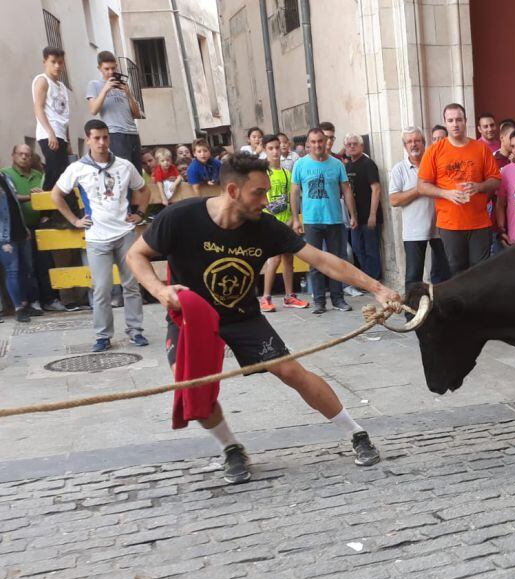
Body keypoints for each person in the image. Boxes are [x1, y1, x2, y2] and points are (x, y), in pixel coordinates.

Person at [124, 154, 402, 482]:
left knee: (290, 370)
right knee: (194, 386)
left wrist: (377, 288)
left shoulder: (265, 226)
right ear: (232, 190)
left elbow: (324, 260)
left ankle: (356, 433)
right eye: (259, 193)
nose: (267, 200)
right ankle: (231, 447)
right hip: (191, 318)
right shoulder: (180, 217)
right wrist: (159, 290)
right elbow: (135, 255)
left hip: (241, 316)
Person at [51, 119, 150, 352]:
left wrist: (140, 213)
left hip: (125, 233)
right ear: (88, 139)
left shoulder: (124, 165)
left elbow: (144, 189)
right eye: (96, 138)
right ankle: (103, 335)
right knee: (101, 289)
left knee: (131, 285)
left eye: (105, 137)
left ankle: (135, 331)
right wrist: (74, 220)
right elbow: (56, 194)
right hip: (97, 237)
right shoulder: (77, 168)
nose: (102, 142)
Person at [417, 103, 501, 275]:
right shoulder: (434, 151)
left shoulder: (481, 148)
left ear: (466, 121)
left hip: (479, 222)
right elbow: (421, 186)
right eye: (451, 120)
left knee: (481, 271)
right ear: (445, 123)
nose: (455, 124)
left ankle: (479, 303)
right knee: (457, 271)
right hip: (450, 224)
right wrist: (445, 193)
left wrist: (479, 186)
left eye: (459, 119)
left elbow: (496, 180)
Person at [289, 126, 358, 313]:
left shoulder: (337, 165)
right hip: (312, 221)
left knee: (337, 261)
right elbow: (294, 192)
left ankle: (338, 299)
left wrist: (352, 215)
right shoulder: (300, 165)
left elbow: (346, 190)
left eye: (320, 141)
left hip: (335, 219)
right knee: (315, 262)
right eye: (313, 142)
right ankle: (319, 301)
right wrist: (295, 219)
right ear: (308, 144)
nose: (317, 145)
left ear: (325, 142)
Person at [1, 144, 69, 313]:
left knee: (41, 265)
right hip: (15, 229)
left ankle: (45, 300)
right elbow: (10, 198)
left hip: (38, 227)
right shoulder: (6, 174)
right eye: (20, 154)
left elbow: (50, 195)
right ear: (13, 155)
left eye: (28, 155)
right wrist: (30, 197)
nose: (24, 157)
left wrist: (45, 209)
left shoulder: (39, 175)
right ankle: (27, 303)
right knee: (20, 269)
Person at [389, 127, 451, 288]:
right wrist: (419, 188)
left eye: (417, 140)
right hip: (414, 231)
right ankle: (412, 313)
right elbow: (394, 200)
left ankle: (440, 309)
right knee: (413, 277)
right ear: (405, 146)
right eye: (409, 141)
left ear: (424, 143)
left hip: (440, 227)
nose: (413, 144)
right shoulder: (399, 170)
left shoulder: (436, 164)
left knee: (443, 274)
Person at [258, 135, 307, 312]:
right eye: (271, 148)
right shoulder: (263, 173)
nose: (275, 152)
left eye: (277, 148)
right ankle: (266, 297)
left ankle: (289, 296)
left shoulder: (287, 173)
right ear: (265, 150)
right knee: (274, 259)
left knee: (288, 259)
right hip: (269, 223)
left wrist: (294, 219)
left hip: (286, 222)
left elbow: (291, 198)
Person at [86, 51, 144, 172]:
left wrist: (128, 94)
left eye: (113, 68)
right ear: (99, 68)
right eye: (106, 69)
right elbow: (93, 110)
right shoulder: (94, 84)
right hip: (115, 133)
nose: (111, 72)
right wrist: (105, 89)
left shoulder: (124, 85)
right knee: (122, 171)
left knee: (136, 172)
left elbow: (137, 114)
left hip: (133, 133)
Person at [343, 133, 383, 283]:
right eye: (349, 144)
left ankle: (373, 280)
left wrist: (373, 214)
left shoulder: (368, 164)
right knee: (357, 248)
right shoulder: (347, 166)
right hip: (355, 217)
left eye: (355, 144)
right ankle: (367, 279)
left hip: (369, 216)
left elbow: (376, 189)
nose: (352, 146)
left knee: (371, 250)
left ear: (361, 146)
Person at [32, 47, 71, 190]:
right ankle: (46, 209)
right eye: (53, 62)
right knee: (56, 173)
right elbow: (38, 108)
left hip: (61, 134)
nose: (57, 66)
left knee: (63, 174)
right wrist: (50, 133)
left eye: (60, 62)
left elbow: (65, 115)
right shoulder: (43, 81)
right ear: (45, 62)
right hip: (48, 134)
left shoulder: (62, 87)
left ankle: (52, 208)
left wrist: (68, 141)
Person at [0, 168, 35, 322]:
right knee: (12, 271)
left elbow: (14, 203)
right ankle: (18, 308)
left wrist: (23, 226)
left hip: (19, 230)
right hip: (5, 235)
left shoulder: (4, 176)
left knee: (24, 269)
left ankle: (26, 304)